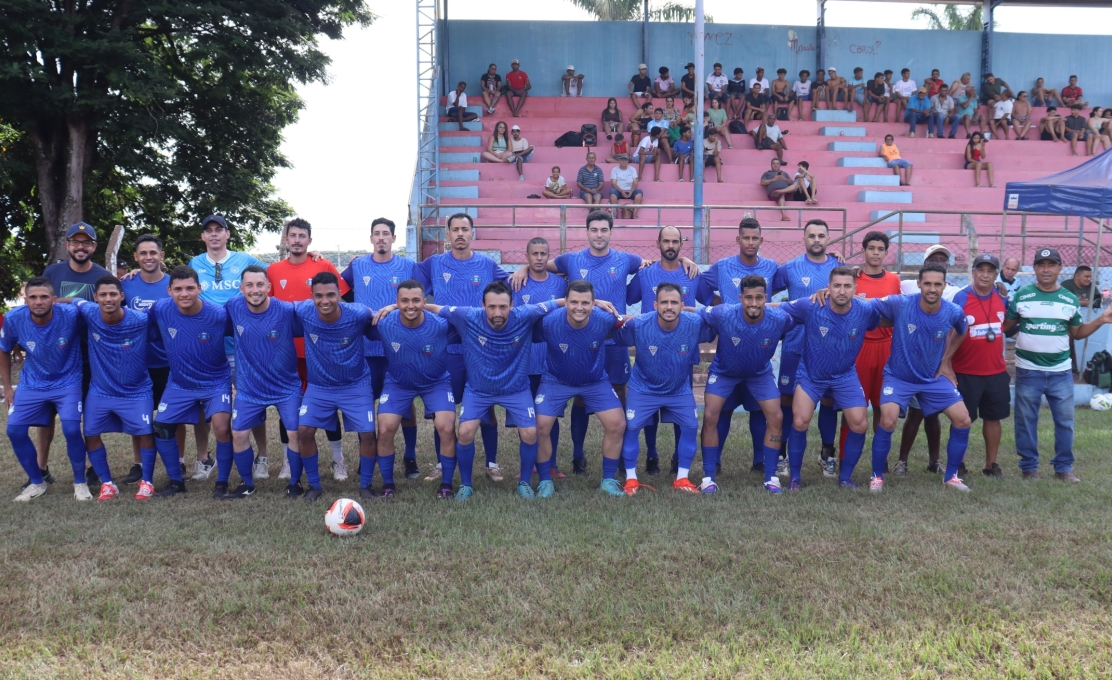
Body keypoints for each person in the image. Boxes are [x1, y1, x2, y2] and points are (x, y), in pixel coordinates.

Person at [510, 211, 693, 475]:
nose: (598, 235)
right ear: (587, 232)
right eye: (594, 230)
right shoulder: (571, 259)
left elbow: (657, 261)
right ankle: (578, 455)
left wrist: (683, 258)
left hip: (613, 339)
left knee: (618, 394)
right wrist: (522, 267)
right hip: (581, 339)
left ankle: (619, 457)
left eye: (603, 230)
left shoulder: (625, 259)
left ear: (610, 232)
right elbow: (541, 265)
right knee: (580, 398)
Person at [429, 282, 555, 499]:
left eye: (503, 307)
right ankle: (466, 484)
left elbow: (558, 303)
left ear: (512, 305)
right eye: (492, 307)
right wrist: (392, 307)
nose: (498, 312)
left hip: (516, 389)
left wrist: (597, 302)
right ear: (483, 306)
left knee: (530, 432)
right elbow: (433, 307)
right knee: (465, 432)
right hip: (478, 390)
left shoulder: (526, 314)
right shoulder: (467, 316)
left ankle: (524, 482)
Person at [1003, 248, 1112, 482]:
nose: (1046, 269)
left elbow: (1077, 333)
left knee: (1064, 421)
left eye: (1051, 264)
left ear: (1060, 268)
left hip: (1060, 372)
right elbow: (1007, 326)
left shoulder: (1069, 299)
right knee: (1025, 420)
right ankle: (1029, 467)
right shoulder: (1022, 296)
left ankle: (1063, 467)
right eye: (1041, 265)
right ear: (1034, 269)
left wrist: (1101, 320)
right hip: (1028, 370)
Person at [415, 213, 509, 480]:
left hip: (481, 350)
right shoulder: (433, 264)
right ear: (447, 234)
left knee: (486, 406)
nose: (459, 234)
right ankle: (441, 463)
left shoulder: (488, 265)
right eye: (454, 229)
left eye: (464, 229)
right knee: (444, 410)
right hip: (446, 350)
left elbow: (514, 285)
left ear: (472, 234)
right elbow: (406, 283)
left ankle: (491, 463)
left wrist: (527, 268)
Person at [865, 265, 973, 492]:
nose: (932, 289)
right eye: (927, 283)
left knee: (963, 419)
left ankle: (951, 476)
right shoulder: (902, 303)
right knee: (888, 420)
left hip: (932, 378)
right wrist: (830, 293)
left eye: (937, 284)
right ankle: (877, 477)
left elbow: (962, 330)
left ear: (944, 286)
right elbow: (864, 304)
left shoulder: (953, 311)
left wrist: (945, 361)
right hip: (899, 377)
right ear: (919, 284)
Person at [779, 267, 878, 490]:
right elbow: (777, 309)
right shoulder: (811, 305)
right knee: (799, 421)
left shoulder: (865, 309)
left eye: (847, 286)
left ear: (855, 288)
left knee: (860, 423)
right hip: (811, 375)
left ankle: (846, 477)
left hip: (845, 375)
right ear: (828, 287)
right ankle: (795, 477)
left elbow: (885, 318)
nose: (842, 291)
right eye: (837, 286)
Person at [614, 283, 716, 495]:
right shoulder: (639, 324)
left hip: (679, 390)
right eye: (664, 302)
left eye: (674, 302)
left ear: (682, 305)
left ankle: (682, 479)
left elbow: (716, 327)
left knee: (690, 426)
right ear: (655, 305)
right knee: (631, 428)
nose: (669, 307)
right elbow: (615, 333)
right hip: (642, 389)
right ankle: (631, 479)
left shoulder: (695, 323)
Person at [187, 214, 268, 482]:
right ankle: (203, 458)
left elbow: (273, 275)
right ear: (202, 236)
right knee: (203, 405)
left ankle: (262, 457)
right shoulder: (195, 263)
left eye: (218, 230)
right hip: (207, 348)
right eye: (208, 230)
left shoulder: (245, 260)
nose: (213, 235)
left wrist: (309, 255)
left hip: (242, 347)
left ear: (227, 234)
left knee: (250, 400)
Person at [696, 217, 780, 468]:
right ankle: (715, 462)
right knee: (723, 409)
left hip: (759, 350)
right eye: (746, 237)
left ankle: (760, 461)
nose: (750, 242)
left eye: (755, 238)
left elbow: (792, 285)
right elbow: (700, 287)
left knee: (758, 410)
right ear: (738, 239)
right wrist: (719, 306)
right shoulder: (722, 267)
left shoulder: (772, 267)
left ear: (761, 240)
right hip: (729, 352)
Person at [270, 219, 350, 480]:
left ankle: (338, 460)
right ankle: (287, 461)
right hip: (284, 351)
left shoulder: (323, 265)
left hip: (319, 352)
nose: (296, 240)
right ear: (286, 240)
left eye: (301, 236)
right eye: (292, 235)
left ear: (309, 241)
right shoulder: (272, 270)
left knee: (327, 403)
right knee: (288, 407)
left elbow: (344, 300)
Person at [143, 265, 232, 499]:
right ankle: (175, 481)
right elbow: (149, 333)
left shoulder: (218, 314)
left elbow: (244, 333)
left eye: (190, 288)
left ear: (199, 289)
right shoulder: (160, 309)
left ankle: (222, 483)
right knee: (161, 428)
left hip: (215, 381)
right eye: (179, 289)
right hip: (179, 383)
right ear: (169, 290)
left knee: (223, 428)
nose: (185, 294)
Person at [531, 280, 627, 496]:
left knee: (617, 424)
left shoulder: (605, 319)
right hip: (555, 380)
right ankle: (545, 480)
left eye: (585, 303)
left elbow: (626, 324)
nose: (579, 307)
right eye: (574, 302)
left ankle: (609, 480)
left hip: (594, 381)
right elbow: (523, 326)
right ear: (565, 302)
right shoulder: (548, 322)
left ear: (594, 304)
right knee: (540, 426)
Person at [700, 275, 794, 493]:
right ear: (740, 297)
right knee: (710, 415)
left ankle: (771, 477)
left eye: (759, 298)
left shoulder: (780, 318)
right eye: (748, 298)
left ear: (766, 298)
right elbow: (691, 314)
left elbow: (800, 317)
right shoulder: (722, 313)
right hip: (724, 372)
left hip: (759, 373)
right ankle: (708, 477)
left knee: (776, 416)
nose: (754, 303)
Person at [367, 280, 458, 499]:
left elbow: (469, 324)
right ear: (396, 302)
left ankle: (446, 484)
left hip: (436, 382)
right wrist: (387, 309)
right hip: (398, 383)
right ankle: (388, 484)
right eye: (404, 301)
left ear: (424, 302)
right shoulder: (384, 324)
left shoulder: (441, 324)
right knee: (386, 427)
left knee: (446, 427)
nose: (410, 305)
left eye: (416, 300)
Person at [1, 277, 89, 502]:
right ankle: (37, 483)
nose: (38, 302)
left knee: (71, 429)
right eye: (33, 297)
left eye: (44, 297)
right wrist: (9, 389)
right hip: (32, 383)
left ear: (54, 299)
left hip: (68, 380)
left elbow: (83, 303)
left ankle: (80, 482)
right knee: (14, 430)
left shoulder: (70, 314)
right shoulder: (13, 318)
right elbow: (4, 350)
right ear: (25, 299)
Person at [293, 272, 378, 502]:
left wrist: (389, 309)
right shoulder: (303, 311)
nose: (325, 301)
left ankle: (366, 486)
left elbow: (378, 316)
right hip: (319, 387)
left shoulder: (358, 313)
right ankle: (314, 486)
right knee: (304, 432)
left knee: (369, 433)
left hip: (356, 385)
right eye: (318, 296)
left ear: (340, 294)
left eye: (331, 294)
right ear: (311, 296)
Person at [36, 221, 110, 481]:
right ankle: (41, 469)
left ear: (94, 247)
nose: (81, 247)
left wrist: (67, 301)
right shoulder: (53, 272)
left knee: (90, 411)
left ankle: (92, 467)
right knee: (47, 415)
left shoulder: (102, 275)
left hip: (91, 354)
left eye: (86, 242)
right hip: (57, 355)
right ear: (67, 245)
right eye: (76, 242)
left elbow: (108, 304)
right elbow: (43, 302)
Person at [75, 276, 157, 502]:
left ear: (122, 297)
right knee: (90, 433)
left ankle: (147, 482)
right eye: (103, 295)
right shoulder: (90, 312)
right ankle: (108, 484)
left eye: (113, 294)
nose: (108, 299)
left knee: (146, 433)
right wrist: (53, 300)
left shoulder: (140, 319)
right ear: (96, 298)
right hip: (101, 390)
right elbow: (74, 301)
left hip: (136, 390)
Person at [223, 266, 302, 499]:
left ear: (269, 287)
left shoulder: (287, 310)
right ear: (241, 288)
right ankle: (247, 483)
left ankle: (295, 483)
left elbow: (319, 311)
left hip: (286, 387)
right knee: (237, 434)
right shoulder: (232, 306)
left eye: (260, 285)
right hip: (250, 387)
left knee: (295, 433)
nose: (255, 290)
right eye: (249, 285)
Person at [627, 227, 700, 473]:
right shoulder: (645, 272)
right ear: (657, 243)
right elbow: (627, 297)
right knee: (648, 411)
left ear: (682, 244)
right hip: (650, 349)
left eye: (675, 241)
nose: (670, 245)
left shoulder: (693, 272)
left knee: (682, 406)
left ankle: (679, 458)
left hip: (682, 353)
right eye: (666, 240)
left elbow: (712, 301)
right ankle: (651, 454)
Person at [771, 221, 842, 477]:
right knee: (787, 398)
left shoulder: (839, 267)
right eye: (811, 235)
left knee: (828, 399)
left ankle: (827, 454)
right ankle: (782, 455)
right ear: (803, 238)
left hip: (829, 348)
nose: (816, 239)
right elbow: (764, 291)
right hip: (795, 344)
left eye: (821, 235)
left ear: (829, 238)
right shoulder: (789, 268)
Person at [120, 234, 186, 485]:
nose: (148, 257)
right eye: (143, 253)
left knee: (175, 415)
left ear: (162, 256)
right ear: (136, 257)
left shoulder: (174, 284)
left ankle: (179, 460)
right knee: (140, 415)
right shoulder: (125, 284)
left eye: (153, 253)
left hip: (171, 360)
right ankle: (138, 464)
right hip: (137, 362)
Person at [836, 232, 901, 468]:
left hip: (885, 349)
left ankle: (880, 461)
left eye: (880, 249)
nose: (875, 252)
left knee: (883, 407)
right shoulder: (852, 278)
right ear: (862, 251)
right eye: (871, 248)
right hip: (858, 348)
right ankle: (845, 458)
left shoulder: (894, 280)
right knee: (853, 406)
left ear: (886, 252)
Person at [508, 238, 566, 475]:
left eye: (544, 253)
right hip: (523, 359)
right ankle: (531, 464)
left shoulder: (561, 284)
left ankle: (551, 465)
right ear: (527, 255)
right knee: (527, 415)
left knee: (550, 416)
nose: (539, 258)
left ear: (549, 256)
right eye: (535, 254)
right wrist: (520, 270)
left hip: (551, 360)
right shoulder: (515, 281)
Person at [951, 254, 1012, 480]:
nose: (985, 275)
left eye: (990, 271)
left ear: (996, 275)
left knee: (993, 418)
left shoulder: (1002, 299)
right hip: (965, 371)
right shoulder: (961, 297)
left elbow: (1007, 325)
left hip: (995, 371)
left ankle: (991, 464)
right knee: (962, 419)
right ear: (973, 272)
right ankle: (959, 463)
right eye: (980, 270)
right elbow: (951, 331)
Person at [1061, 264, 1098, 374]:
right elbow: (1067, 301)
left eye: (1090, 277)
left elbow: (1098, 300)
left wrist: (1082, 301)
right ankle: (1072, 366)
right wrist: (1088, 302)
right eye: (1086, 277)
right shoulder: (1066, 285)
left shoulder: (1091, 286)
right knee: (1069, 336)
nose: (1089, 279)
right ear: (1077, 276)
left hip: (1087, 317)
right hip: (1068, 318)